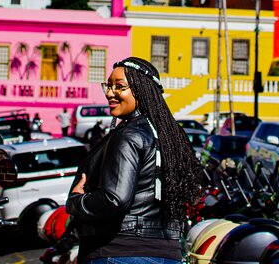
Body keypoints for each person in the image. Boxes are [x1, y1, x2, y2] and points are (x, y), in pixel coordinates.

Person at [66, 57, 202, 264]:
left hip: (119, 251)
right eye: (109, 86)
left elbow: (114, 199)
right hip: (168, 254)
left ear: (141, 89)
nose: (110, 93)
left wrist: (76, 201)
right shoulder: (169, 137)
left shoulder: (128, 135)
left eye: (119, 87)